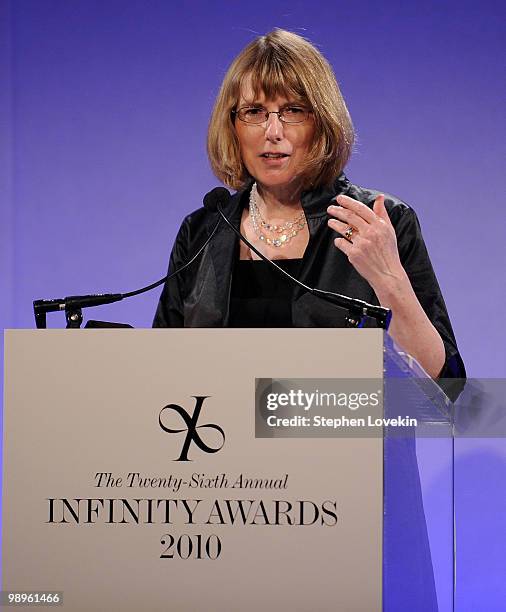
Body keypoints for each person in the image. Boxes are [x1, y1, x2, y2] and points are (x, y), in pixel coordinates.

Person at [153, 28, 465, 381]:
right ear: (233, 126)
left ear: (322, 122)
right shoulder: (203, 231)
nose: (273, 131)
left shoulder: (380, 221)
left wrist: (388, 280)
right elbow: (163, 374)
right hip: (217, 435)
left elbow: (445, 384)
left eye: (293, 111)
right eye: (254, 111)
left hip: (342, 433)